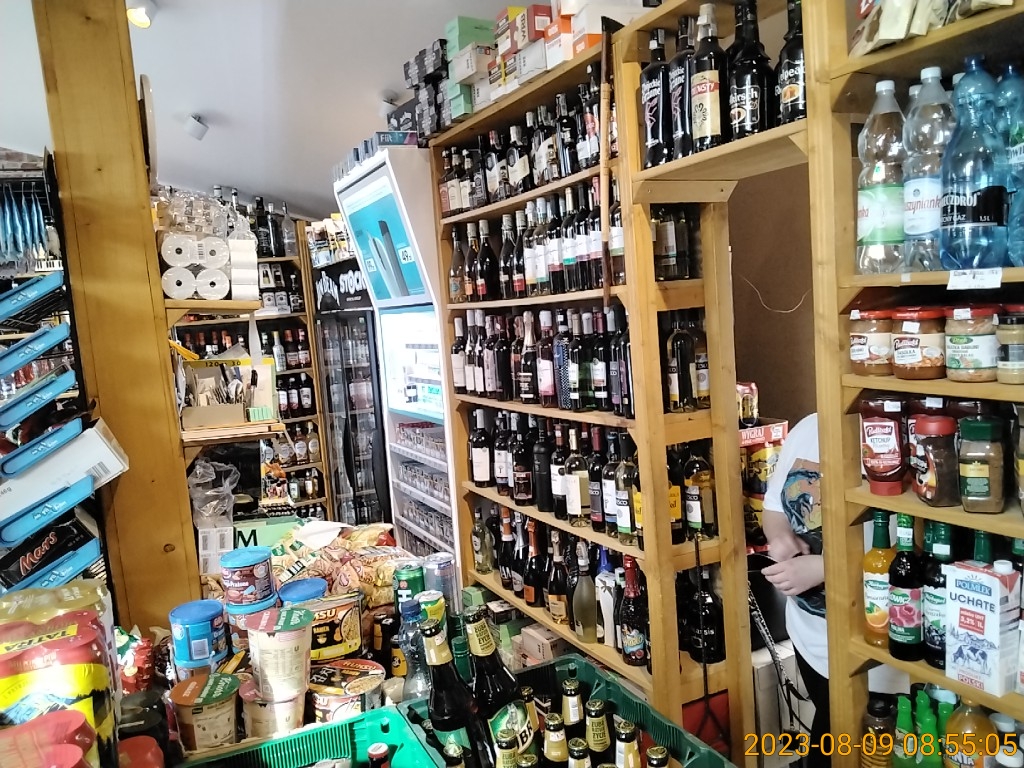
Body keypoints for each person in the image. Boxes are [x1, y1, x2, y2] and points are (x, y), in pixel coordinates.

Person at [760, 413, 829, 768]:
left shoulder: (892, 437)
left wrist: (823, 569)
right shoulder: (809, 427)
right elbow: (773, 508)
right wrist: (780, 538)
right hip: (809, 636)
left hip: (875, 650)